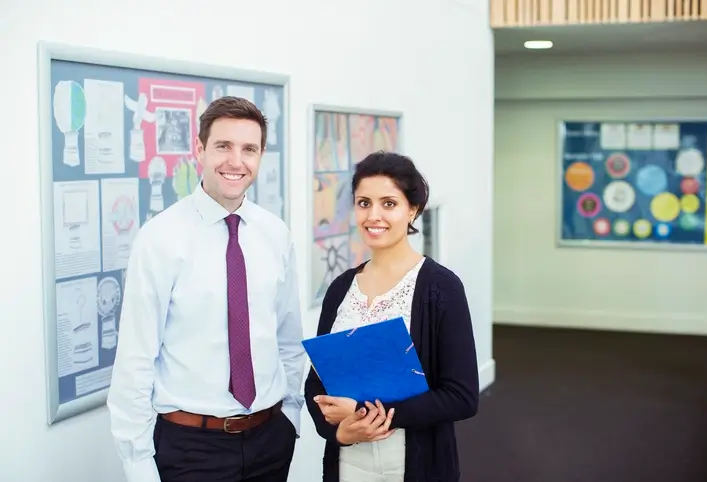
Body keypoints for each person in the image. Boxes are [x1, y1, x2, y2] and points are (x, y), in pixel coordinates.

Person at [107, 96, 305, 482]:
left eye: (249, 149)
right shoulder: (159, 239)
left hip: (269, 440)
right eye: (223, 146)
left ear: (261, 155)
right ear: (199, 149)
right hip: (191, 449)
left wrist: (291, 418)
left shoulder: (275, 235)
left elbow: (288, 338)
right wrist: (138, 464)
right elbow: (135, 359)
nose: (236, 161)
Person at [304, 151, 480, 482]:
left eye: (389, 203)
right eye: (364, 202)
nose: (374, 215)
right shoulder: (341, 288)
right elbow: (316, 383)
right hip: (347, 461)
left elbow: (462, 397)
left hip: (416, 462)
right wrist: (340, 433)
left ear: (412, 209)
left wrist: (361, 412)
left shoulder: (441, 288)